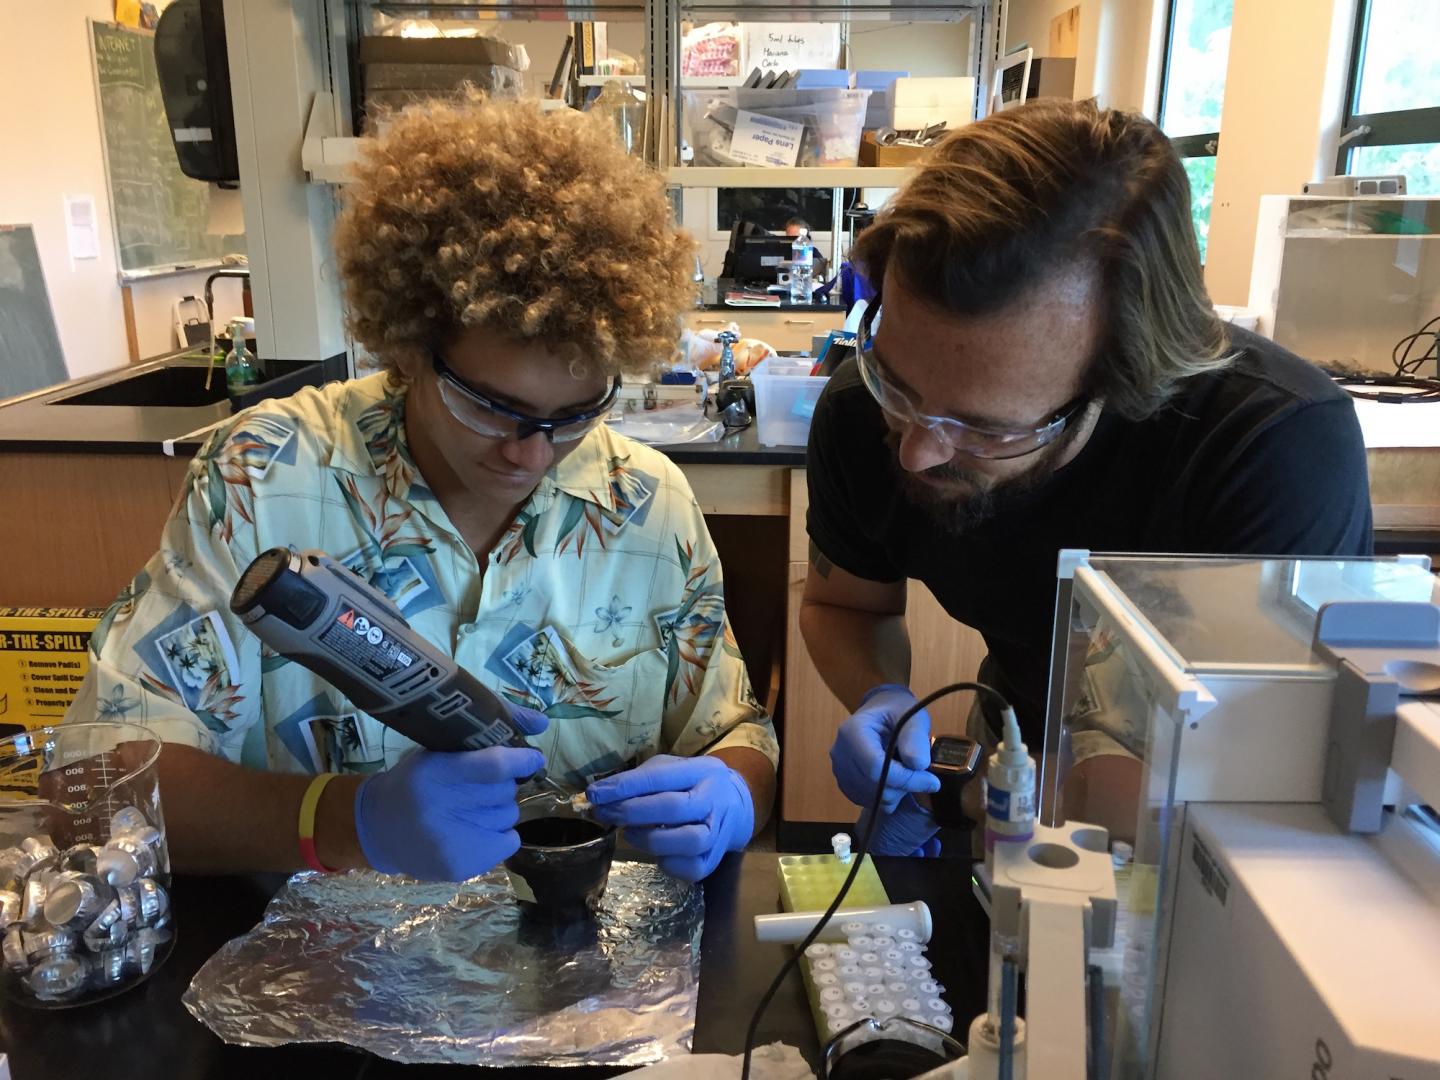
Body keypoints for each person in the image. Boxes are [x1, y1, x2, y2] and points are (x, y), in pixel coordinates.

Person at [67, 97, 777, 884]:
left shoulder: (647, 506)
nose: (532, 454)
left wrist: (730, 795)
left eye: (575, 415)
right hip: (315, 985)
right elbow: (94, 785)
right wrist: (344, 820)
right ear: (409, 344)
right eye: (488, 406)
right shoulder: (265, 477)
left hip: (584, 983)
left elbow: (733, 734)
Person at [802, 99, 1371, 847]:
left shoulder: (1272, 449)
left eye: (986, 428)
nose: (916, 450)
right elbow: (849, 607)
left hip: (1216, 802)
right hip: (1014, 742)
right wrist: (885, 700)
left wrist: (1009, 802)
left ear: (1121, 382)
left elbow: (1273, 761)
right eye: (900, 385)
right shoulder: (863, 410)